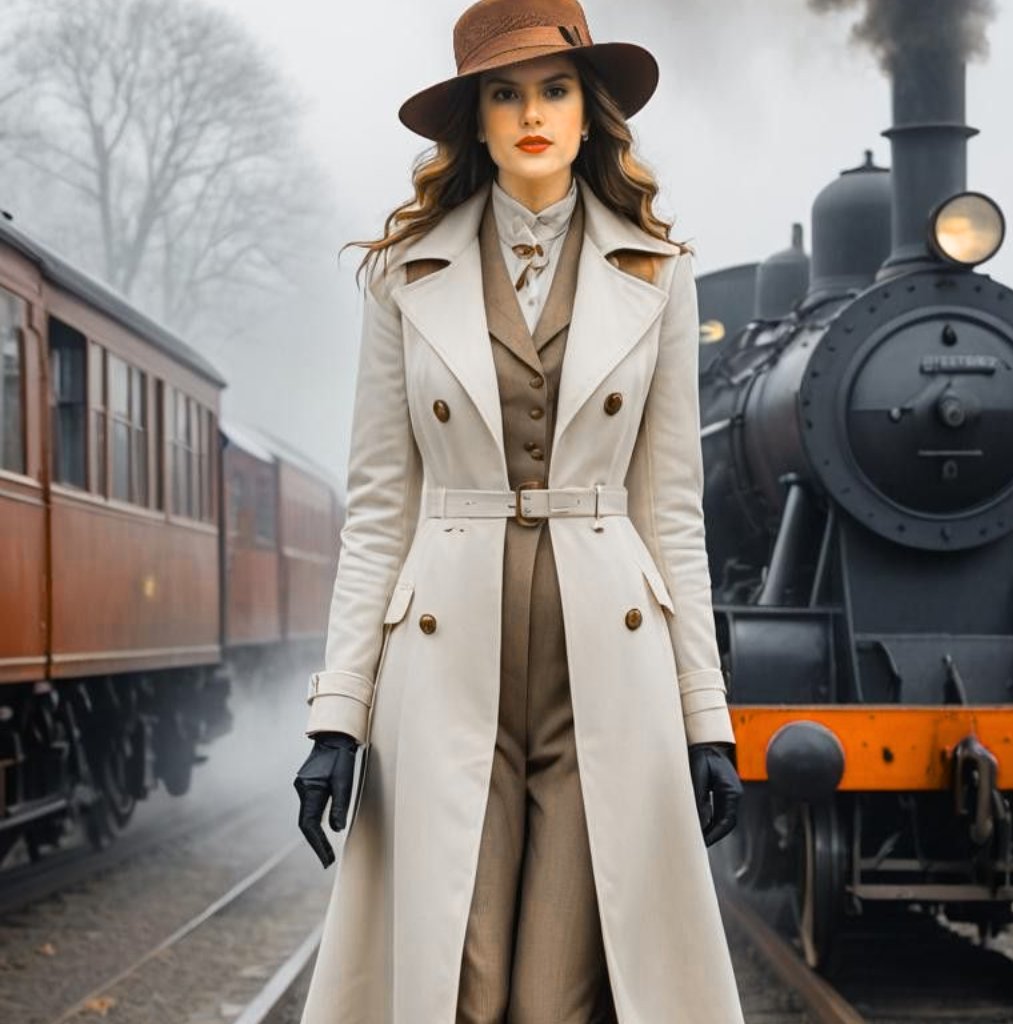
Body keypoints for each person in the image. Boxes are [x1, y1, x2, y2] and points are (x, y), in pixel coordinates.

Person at [293, 1, 745, 1021]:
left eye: (553, 89)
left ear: (591, 114)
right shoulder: (400, 276)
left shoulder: (660, 275)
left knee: (554, 996)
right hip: (444, 665)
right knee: (461, 979)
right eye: (504, 93)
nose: (531, 113)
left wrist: (704, 719)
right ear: (477, 121)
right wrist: (338, 714)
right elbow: (375, 510)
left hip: (607, 675)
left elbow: (673, 512)